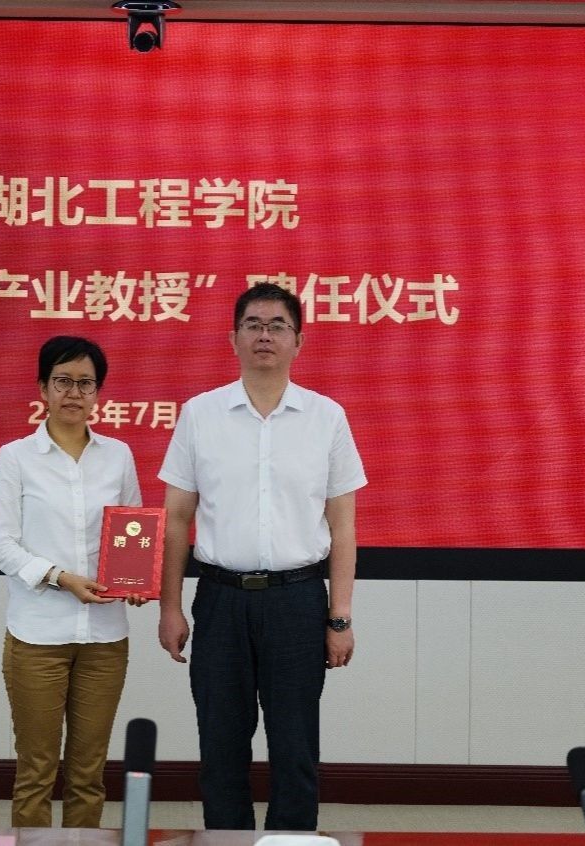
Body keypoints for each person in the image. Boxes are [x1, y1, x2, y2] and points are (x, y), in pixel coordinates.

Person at [157, 283, 367, 831]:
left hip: (298, 600)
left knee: (295, 747)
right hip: (220, 600)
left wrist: (339, 617)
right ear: (233, 339)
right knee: (220, 745)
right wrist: (170, 607)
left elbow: (343, 526)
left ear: (299, 341)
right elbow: (176, 519)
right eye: (253, 325)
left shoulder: (327, 418)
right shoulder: (200, 414)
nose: (265, 336)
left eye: (278, 326)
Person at [0, 335, 146, 828]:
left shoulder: (118, 456)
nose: (74, 393)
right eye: (62, 381)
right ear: (42, 388)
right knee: (36, 771)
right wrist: (59, 577)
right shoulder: (16, 457)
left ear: (98, 392)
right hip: (37, 635)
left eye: (85, 383)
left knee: (88, 774)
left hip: (105, 638)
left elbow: (134, 531)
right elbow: (0, 545)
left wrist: (137, 578)